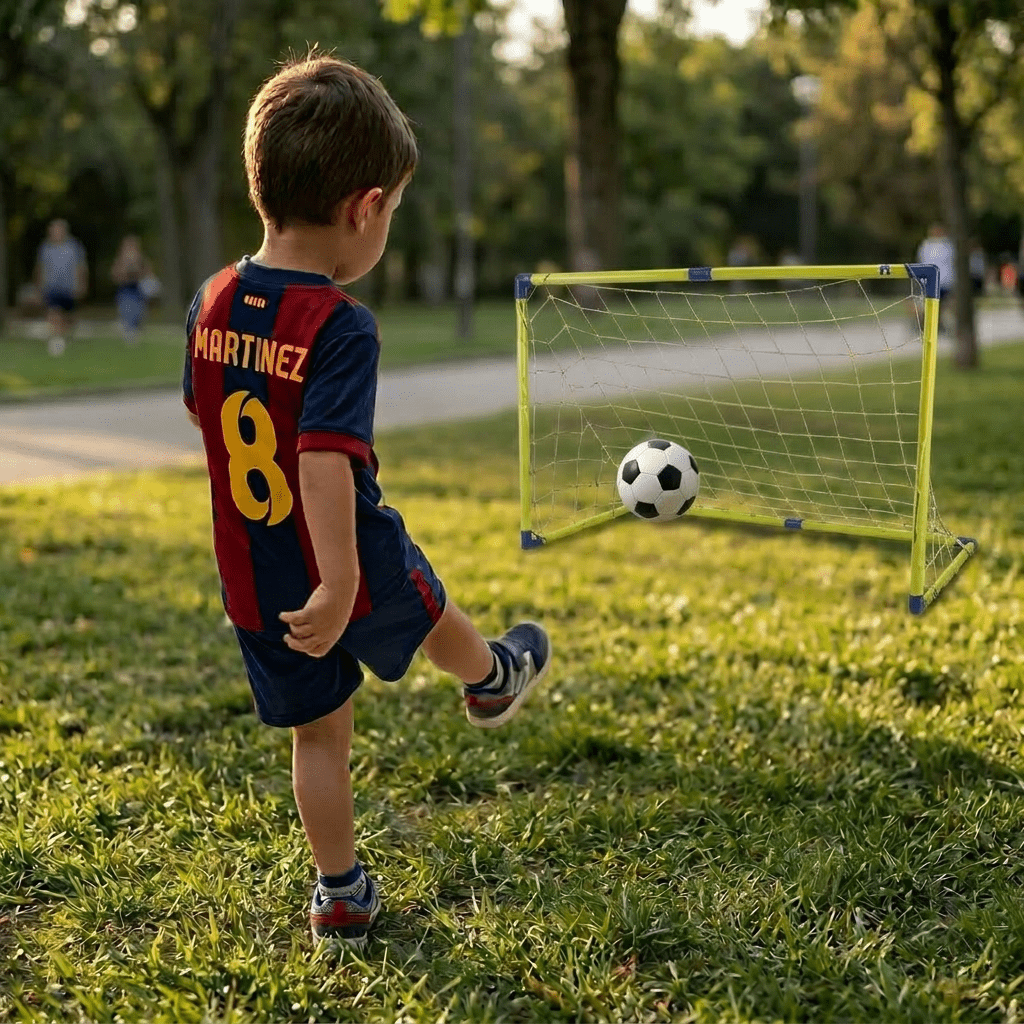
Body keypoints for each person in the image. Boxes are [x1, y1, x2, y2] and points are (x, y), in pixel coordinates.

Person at [182, 53, 551, 950]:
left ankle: (339, 891)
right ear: (366, 208)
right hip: (342, 554)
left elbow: (208, 412)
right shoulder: (340, 324)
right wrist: (343, 578)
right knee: (422, 601)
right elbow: (323, 461)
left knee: (320, 739)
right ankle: (490, 679)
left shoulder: (211, 298)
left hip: (258, 573)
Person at [34, 218, 87, 356]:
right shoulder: (45, 248)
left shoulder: (73, 247)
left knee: (68, 318)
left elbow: (80, 267)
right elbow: (40, 268)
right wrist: (39, 287)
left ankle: (64, 337)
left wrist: (82, 284)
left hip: (69, 288)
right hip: (51, 287)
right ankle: (56, 341)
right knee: (54, 314)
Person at [110, 235, 154, 345]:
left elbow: (148, 273)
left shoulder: (141, 259)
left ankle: (134, 333)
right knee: (127, 311)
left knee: (138, 313)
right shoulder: (120, 260)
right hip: (125, 291)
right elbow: (115, 275)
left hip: (138, 291)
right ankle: (128, 333)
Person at [916, 223, 955, 333]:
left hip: (945, 280)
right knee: (929, 304)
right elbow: (922, 261)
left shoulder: (948, 245)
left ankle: (939, 324)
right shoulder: (926, 246)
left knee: (943, 305)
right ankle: (927, 326)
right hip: (929, 281)